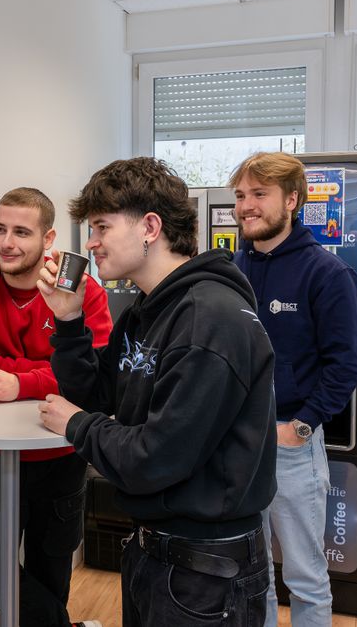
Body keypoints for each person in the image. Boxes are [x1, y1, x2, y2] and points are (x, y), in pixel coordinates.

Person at [35, 157, 277, 627]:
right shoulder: (145, 312)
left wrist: (75, 425)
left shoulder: (212, 320)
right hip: (156, 552)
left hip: (205, 571)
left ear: (150, 226)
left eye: (101, 226)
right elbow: (99, 397)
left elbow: (155, 458)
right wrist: (68, 321)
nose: (91, 242)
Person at [0, 187, 113, 627]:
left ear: (48, 238)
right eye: (0, 229)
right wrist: (45, 373)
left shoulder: (80, 291)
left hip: (60, 452)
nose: (6, 242)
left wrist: (18, 381)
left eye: (21, 232)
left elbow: (91, 377)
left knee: (49, 571)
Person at [229, 152, 357, 627]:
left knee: (306, 578)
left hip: (291, 445)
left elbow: (350, 364)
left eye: (259, 195)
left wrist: (303, 425)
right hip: (236, 446)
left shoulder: (326, 273)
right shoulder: (232, 271)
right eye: (241, 196)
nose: (247, 206)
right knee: (254, 574)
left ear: (291, 200)